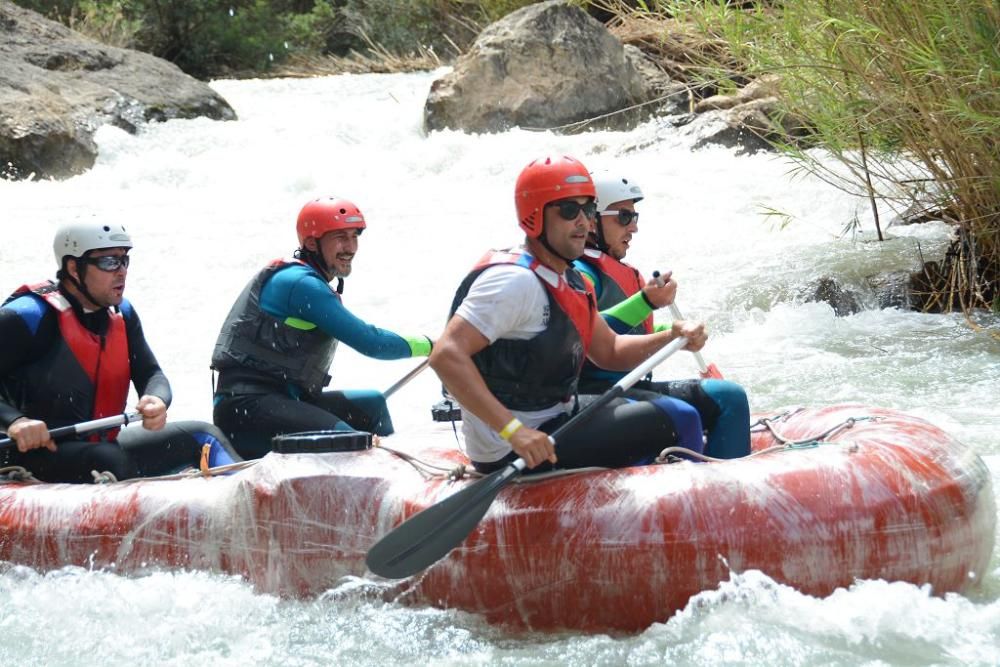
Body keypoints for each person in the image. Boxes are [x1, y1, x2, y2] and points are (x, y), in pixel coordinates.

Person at [429, 155, 709, 473]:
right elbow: (446, 355)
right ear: (534, 216)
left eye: (588, 209)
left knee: (681, 410)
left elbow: (609, 352)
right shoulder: (514, 281)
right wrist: (514, 431)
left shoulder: (570, 278)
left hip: (556, 419)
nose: (584, 222)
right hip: (512, 447)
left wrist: (672, 338)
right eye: (568, 210)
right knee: (680, 418)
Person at [0, 223, 240, 484]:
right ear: (73, 268)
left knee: (204, 436)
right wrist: (16, 421)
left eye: (124, 260)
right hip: (26, 455)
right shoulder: (27, 317)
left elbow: (151, 373)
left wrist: (156, 398)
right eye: (109, 262)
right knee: (108, 458)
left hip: (102, 446)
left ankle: (253, 502)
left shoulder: (122, 315)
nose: (122, 272)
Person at [211, 196, 434, 459]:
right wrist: (434, 346)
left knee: (372, 403)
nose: (350, 247)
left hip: (285, 400)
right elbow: (371, 342)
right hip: (245, 409)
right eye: (340, 237)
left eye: (354, 236)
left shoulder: (310, 280)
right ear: (311, 243)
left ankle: (396, 483)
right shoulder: (299, 284)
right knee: (352, 443)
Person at [573, 170, 751, 459]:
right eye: (623, 217)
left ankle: (732, 493)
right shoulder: (579, 275)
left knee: (729, 396)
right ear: (592, 219)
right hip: (593, 395)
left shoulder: (624, 273)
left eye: (634, 217)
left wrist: (677, 334)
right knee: (682, 415)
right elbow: (590, 336)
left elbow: (633, 335)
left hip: (629, 388)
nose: (633, 228)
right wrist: (645, 302)